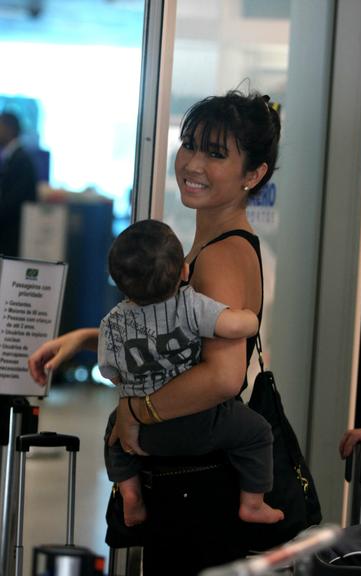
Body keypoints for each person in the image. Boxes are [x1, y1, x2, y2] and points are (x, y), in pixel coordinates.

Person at [29, 89, 282, 574]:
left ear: (254, 175)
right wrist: (84, 339)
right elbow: (169, 336)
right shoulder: (206, 244)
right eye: (189, 144)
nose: (191, 163)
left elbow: (223, 377)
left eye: (215, 153)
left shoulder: (223, 255)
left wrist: (135, 410)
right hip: (189, 477)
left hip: (198, 486)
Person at [99, 218, 284, 527]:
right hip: (202, 422)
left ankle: (131, 497)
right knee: (257, 432)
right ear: (185, 271)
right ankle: (253, 503)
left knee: (113, 434)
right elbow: (233, 325)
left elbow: (110, 372)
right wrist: (252, 318)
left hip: (145, 434)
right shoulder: (190, 305)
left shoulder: (111, 323)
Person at [0, 112, 37, 257]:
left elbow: (14, 200)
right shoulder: (11, 157)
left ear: (10, 129)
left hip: (14, 236)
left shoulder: (21, 160)